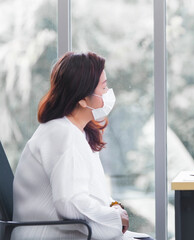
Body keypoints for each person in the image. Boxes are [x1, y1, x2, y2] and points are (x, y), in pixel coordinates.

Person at [12, 52, 153, 240]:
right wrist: (114, 216)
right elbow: (69, 202)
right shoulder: (62, 134)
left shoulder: (75, 132)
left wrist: (114, 207)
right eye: (103, 87)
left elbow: (88, 193)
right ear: (82, 99)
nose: (108, 93)